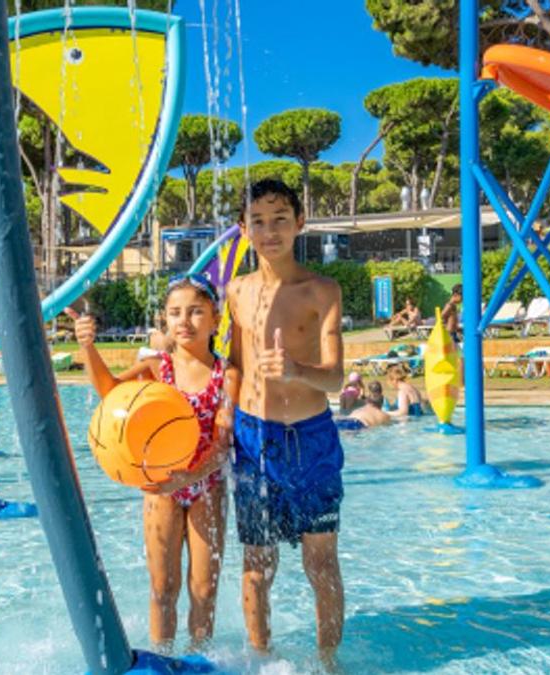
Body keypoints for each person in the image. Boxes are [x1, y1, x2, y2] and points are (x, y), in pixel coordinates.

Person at [66, 274, 240, 652]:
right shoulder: (157, 368)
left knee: (203, 588)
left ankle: (198, 660)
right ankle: (162, 659)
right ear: (165, 320)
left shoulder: (226, 375)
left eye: (195, 312)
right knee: (163, 587)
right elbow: (110, 392)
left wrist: (188, 477)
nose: (184, 321)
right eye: (175, 313)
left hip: (206, 485)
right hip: (160, 488)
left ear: (215, 320)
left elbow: (222, 446)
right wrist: (88, 347)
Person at [226, 179, 345, 662]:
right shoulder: (236, 291)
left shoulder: (321, 290)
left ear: (300, 223)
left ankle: (329, 664)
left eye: (280, 220)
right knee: (257, 564)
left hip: (312, 439)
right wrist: (222, 419)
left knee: (322, 563)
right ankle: (261, 659)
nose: (269, 231)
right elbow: (235, 365)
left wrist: (297, 370)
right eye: (258, 221)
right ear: (243, 229)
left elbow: (336, 378)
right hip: (254, 438)